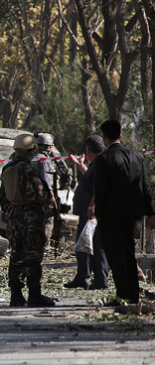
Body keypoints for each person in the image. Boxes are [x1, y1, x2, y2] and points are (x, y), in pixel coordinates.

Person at [92, 120, 155, 305]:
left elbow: (101, 189)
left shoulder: (104, 160)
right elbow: (145, 187)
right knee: (129, 253)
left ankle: (123, 295)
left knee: (116, 256)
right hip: (133, 216)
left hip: (111, 216)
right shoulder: (136, 156)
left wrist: (98, 213)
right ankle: (133, 294)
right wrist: (151, 212)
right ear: (120, 134)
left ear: (104, 138)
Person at [0, 134, 55, 308]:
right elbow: (37, 195)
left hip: (14, 217)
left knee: (16, 255)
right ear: (30, 150)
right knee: (33, 256)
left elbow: (3, 198)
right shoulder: (28, 169)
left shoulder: (7, 169)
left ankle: (16, 295)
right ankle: (34, 295)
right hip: (31, 217)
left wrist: (11, 212)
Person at [64, 135, 108, 290]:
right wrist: (80, 165)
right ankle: (83, 276)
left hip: (91, 214)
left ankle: (101, 279)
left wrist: (92, 207)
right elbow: (90, 179)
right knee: (83, 246)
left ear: (89, 151)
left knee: (96, 247)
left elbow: (99, 187)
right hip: (86, 213)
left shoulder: (100, 164)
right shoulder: (95, 164)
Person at [31, 134, 58, 250]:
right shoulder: (44, 159)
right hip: (44, 194)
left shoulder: (33, 157)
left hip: (33, 194)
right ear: (48, 146)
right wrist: (51, 195)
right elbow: (46, 178)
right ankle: (45, 246)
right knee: (48, 219)